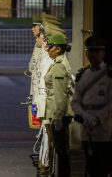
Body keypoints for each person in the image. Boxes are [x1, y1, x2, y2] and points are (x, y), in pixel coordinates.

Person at [71, 35, 112, 177]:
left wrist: (97, 118)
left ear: (103, 53)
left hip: (103, 128)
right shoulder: (82, 75)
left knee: (102, 167)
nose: (94, 55)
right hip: (86, 127)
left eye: (97, 51)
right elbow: (75, 100)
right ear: (86, 53)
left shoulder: (109, 75)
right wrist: (83, 115)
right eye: (91, 51)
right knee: (89, 166)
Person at [44, 33, 74, 177]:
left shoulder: (59, 67)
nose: (47, 49)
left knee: (61, 150)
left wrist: (57, 118)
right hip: (59, 113)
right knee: (61, 149)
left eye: (50, 47)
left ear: (58, 49)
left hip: (59, 114)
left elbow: (59, 95)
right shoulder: (59, 63)